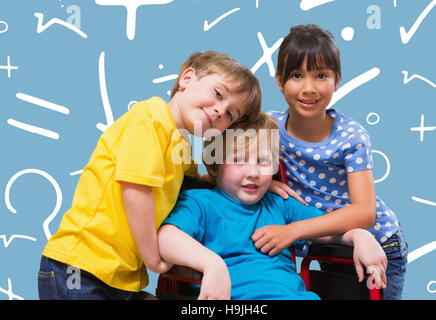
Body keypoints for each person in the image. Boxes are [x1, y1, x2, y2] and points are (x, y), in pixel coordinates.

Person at [37, 51, 262, 299]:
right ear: (187, 79)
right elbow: (136, 190)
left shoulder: (182, 143)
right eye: (218, 94)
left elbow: (195, 185)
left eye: (230, 114)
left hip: (118, 276)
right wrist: (153, 256)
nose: (221, 110)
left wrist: (253, 180)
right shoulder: (151, 118)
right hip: (80, 265)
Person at [158, 112, 387, 300]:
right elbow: (166, 238)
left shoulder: (281, 204)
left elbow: (328, 231)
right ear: (213, 166)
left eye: (263, 161)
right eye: (239, 160)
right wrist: (211, 264)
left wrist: (359, 237)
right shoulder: (200, 203)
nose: (253, 173)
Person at [270, 24, 407, 300]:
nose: (308, 88)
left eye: (321, 75)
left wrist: (293, 231)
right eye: (297, 75)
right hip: (330, 243)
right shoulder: (268, 127)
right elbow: (228, 159)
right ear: (279, 80)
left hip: (378, 244)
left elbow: (363, 213)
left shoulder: (351, 137)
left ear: (337, 80)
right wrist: (269, 185)